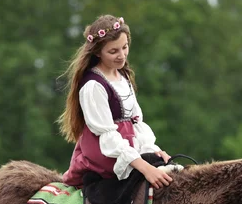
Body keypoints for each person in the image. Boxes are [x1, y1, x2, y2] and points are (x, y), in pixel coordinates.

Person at [58, 14, 173, 189]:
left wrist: (150, 149)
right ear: (97, 52)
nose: (122, 56)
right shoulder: (93, 86)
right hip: (106, 152)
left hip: (129, 145)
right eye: (113, 51)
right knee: (149, 172)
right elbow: (108, 137)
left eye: (124, 47)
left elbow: (136, 121)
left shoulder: (122, 74)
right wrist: (146, 168)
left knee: (162, 162)